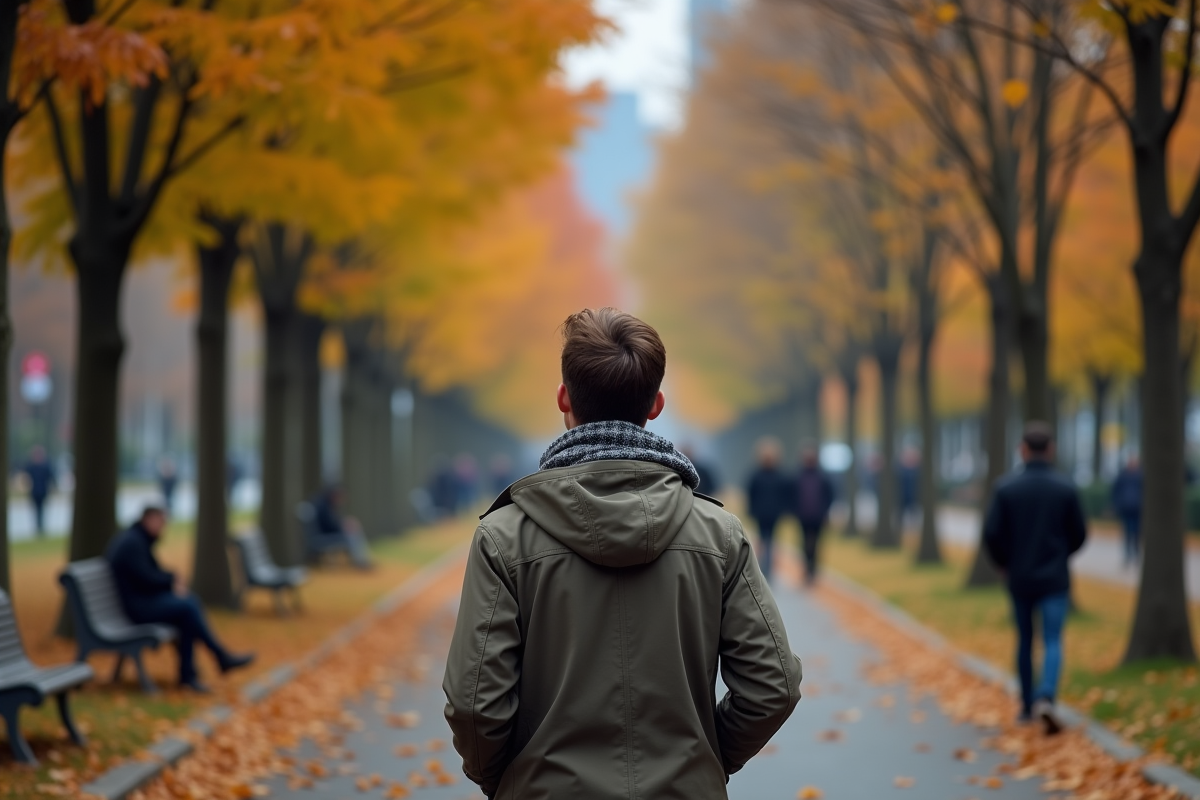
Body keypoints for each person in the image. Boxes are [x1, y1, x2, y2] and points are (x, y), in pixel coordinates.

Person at [443, 308, 801, 800]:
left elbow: (474, 704)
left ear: (564, 398)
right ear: (655, 404)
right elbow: (773, 686)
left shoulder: (504, 537)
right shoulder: (719, 536)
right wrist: (705, 760)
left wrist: (509, 780)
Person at [983, 422, 1087, 735]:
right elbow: (1080, 533)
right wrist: (1061, 554)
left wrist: (1004, 563)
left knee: (1025, 639)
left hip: (1020, 576)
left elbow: (991, 534)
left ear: (1023, 450)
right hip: (1054, 576)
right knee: (1053, 638)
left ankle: (1027, 706)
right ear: (1051, 449)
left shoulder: (1006, 488)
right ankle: (1047, 696)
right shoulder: (1065, 488)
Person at [106, 506, 254, 692]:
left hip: (139, 602)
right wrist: (171, 581)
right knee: (187, 608)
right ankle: (214, 660)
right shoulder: (133, 543)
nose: (163, 528)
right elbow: (145, 579)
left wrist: (171, 579)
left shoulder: (137, 539)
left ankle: (193, 672)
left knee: (187, 609)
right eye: (161, 523)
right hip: (136, 609)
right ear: (149, 520)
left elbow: (149, 574)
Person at [746, 438, 792, 580]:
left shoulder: (777, 475)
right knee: (764, 540)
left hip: (772, 513)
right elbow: (751, 494)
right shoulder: (758, 475)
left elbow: (785, 495)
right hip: (763, 513)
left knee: (770, 540)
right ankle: (764, 566)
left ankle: (768, 567)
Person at [794, 445, 834, 585]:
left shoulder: (822, 476)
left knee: (816, 544)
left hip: (818, 516)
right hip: (803, 516)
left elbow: (829, 496)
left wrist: (826, 512)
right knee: (804, 544)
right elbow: (793, 496)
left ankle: (813, 571)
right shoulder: (798, 475)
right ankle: (807, 568)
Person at [312, 485, 374, 569]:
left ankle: (362, 559)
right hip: (325, 537)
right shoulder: (323, 506)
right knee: (352, 534)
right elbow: (329, 526)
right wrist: (344, 526)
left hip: (325, 534)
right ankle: (360, 561)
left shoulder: (324, 504)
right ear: (335, 495)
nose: (341, 501)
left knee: (353, 530)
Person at [1111, 455, 1143, 566]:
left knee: (1136, 534)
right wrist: (1115, 505)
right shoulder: (1122, 476)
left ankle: (1136, 554)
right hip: (1126, 509)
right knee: (1127, 533)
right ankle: (1128, 555)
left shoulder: (1141, 475)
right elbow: (1115, 491)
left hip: (1138, 509)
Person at [22, 446, 55, 537]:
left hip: (43, 491)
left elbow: (51, 476)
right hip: (34, 492)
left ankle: (41, 528)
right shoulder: (32, 465)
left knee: (41, 510)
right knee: (36, 510)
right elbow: (25, 475)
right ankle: (38, 528)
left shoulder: (45, 465)